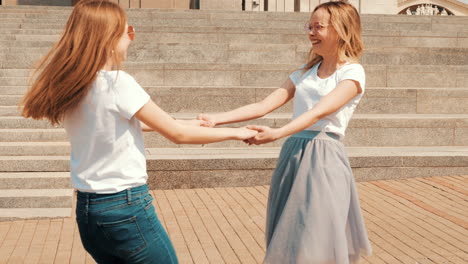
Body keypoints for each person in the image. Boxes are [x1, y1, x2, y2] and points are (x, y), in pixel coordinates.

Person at [19, 0, 257, 263]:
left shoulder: (72, 86)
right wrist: (237, 133)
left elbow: (117, 124)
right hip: (125, 206)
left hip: (89, 211)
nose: (131, 38)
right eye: (127, 31)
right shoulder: (117, 83)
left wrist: (188, 123)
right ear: (108, 39)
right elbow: (177, 136)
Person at [198, 1, 372, 263]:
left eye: (318, 27)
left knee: (315, 235)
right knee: (291, 234)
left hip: (324, 159)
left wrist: (277, 133)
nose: (311, 32)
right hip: (293, 154)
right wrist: (217, 119)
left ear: (340, 30)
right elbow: (264, 105)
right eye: (309, 26)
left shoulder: (352, 72)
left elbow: (318, 113)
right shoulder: (305, 72)